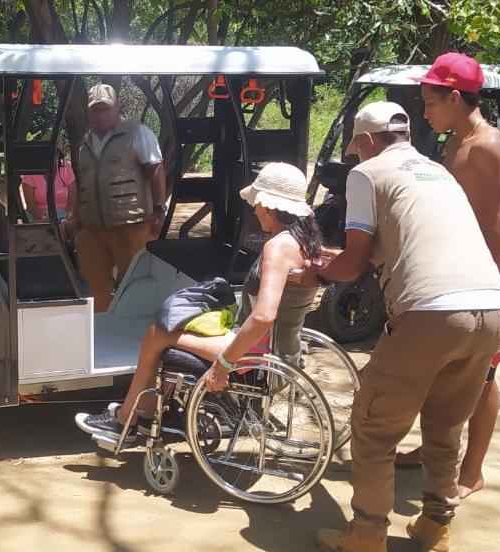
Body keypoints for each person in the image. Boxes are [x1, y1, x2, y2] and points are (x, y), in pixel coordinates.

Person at [314, 101, 500, 552]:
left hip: (431, 312)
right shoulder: (438, 172)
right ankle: (435, 527)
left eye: (355, 149)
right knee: (444, 426)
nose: (354, 158)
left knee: (374, 427)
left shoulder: (367, 174)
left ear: (365, 142)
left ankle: (366, 536)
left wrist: (314, 270)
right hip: (491, 308)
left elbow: (353, 260)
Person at [74, 163, 321, 440]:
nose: (254, 209)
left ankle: (124, 422)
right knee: (179, 327)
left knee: (157, 335)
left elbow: (264, 316)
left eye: (257, 203)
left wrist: (224, 364)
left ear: (269, 205)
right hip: (283, 350)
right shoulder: (306, 240)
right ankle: (141, 412)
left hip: (256, 356)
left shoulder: (277, 248)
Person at [394, 53, 500, 501]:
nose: (425, 111)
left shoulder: (487, 145)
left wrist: (488, 280)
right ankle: (431, 448)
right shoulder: (456, 140)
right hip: (457, 271)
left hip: (483, 277)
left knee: (481, 376)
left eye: (431, 101)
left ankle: (472, 470)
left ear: (454, 97)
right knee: (442, 368)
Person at [66, 83, 167, 312]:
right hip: (93, 227)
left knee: (133, 282)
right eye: (95, 109)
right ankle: (101, 329)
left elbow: (156, 170)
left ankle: (133, 332)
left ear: (116, 108)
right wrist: (76, 217)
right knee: (94, 282)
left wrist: (159, 209)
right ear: (88, 112)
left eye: (105, 109)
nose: (100, 114)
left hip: (131, 225)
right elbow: (83, 182)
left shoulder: (137, 133)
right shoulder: (86, 142)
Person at [21, 140, 74, 223]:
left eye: (53, 153)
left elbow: (73, 200)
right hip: (39, 218)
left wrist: (66, 217)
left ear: (58, 154)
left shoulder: (67, 169)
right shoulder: (30, 173)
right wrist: (46, 219)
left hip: (65, 217)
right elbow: (31, 206)